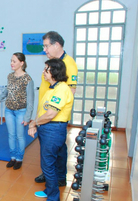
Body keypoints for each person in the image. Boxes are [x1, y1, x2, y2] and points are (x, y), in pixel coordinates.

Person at [28, 58, 73, 201]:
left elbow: (50, 114)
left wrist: (35, 123)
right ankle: (49, 189)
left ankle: (54, 199)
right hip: (47, 129)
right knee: (55, 160)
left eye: (46, 69)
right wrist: (37, 123)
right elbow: (44, 111)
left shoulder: (61, 89)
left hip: (53, 129)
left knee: (47, 164)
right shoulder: (51, 88)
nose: (43, 72)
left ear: (53, 72)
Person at [35, 31, 78, 186]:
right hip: (46, 112)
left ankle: (57, 177)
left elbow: (70, 92)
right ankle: (52, 174)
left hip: (54, 116)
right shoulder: (51, 63)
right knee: (52, 150)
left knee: (55, 148)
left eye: (47, 46)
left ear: (57, 45)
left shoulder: (68, 64)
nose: (44, 50)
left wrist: (51, 115)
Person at [0, 52, 34, 170]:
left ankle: (19, 159)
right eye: (11, 61)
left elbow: (31, 100)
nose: (11, 63)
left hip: (21, 111)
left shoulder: (28, 79)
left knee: (20, 136)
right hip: (9, 110)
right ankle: (12, 157)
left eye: (14, 61)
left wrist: (27, 117)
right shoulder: (10, 76)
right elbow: (7, 90)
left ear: (21, 63)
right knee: (11, 135)